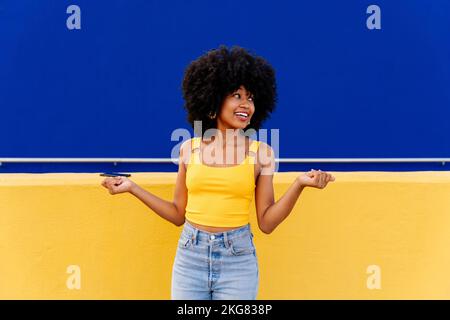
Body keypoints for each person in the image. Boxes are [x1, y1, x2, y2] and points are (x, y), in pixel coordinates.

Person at [101, 45, 335, 300]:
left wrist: (299, 184)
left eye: (251, 97)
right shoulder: (188, 150)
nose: (246, 104)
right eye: (237, 95)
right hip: (190, 255)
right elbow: (178, 213)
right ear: (213, 101)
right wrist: (132, 188)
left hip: (238, 258)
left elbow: (267, 222)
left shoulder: (262, 153)